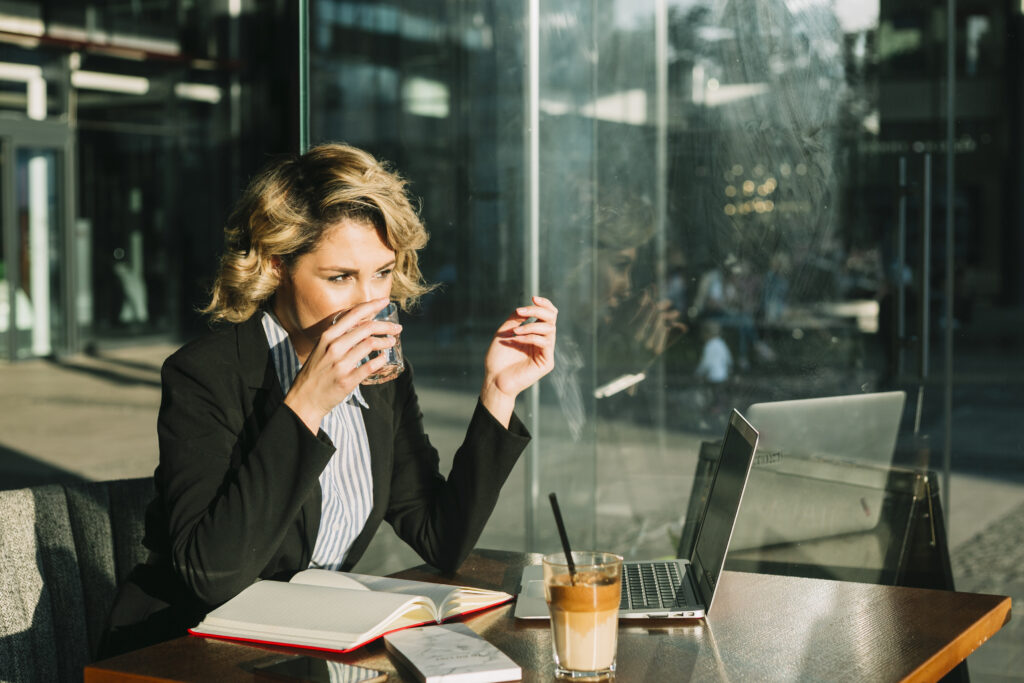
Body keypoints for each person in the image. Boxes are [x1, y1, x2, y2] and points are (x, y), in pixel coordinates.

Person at [100, 143, 557, 657]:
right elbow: (211, 576)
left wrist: (498, 392)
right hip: (183, 651)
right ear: (276, 267)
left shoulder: (380, 375)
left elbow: (441, 539)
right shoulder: (205, 374)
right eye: (340, 277)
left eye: (381, 273)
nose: (369, 302)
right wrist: (306, 407)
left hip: (307, 646)